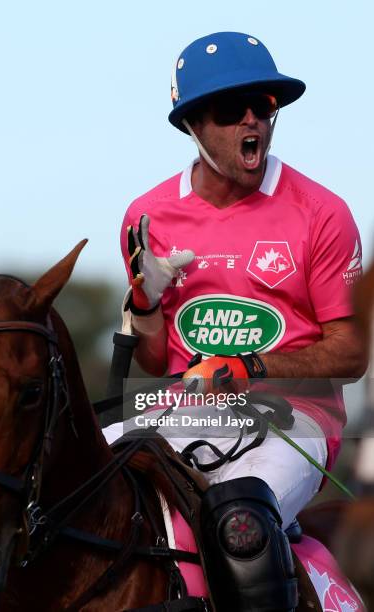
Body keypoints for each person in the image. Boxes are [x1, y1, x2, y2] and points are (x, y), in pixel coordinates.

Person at [103, 32, 367, 611]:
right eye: (231, 109)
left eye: (264, 105)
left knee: (239, 521)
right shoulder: (145, 217)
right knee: (63, 481)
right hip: (177, 412)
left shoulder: (321, 212)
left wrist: (250, 364)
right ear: (192, 125)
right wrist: (146, 301)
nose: (254, 120)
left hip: (291, 418)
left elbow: (352, 353)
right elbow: (151, 364)